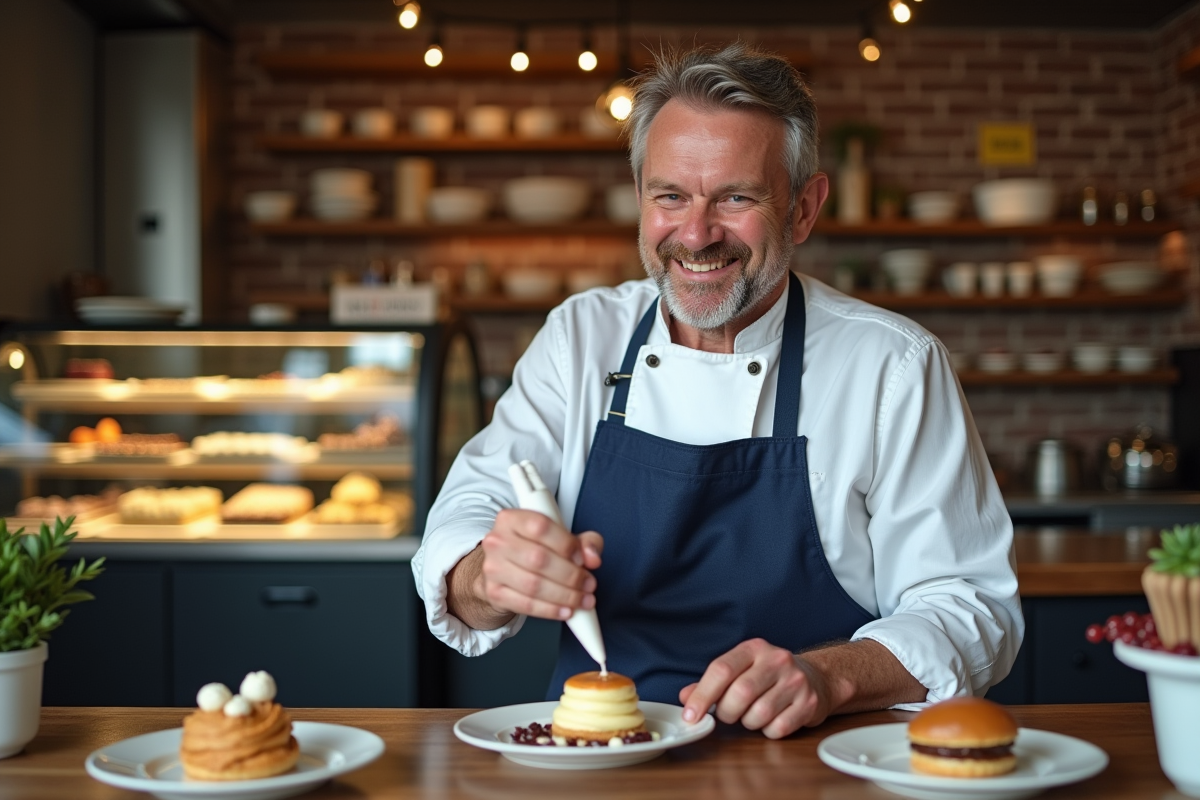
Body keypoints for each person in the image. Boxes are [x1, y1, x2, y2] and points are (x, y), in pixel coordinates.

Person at [412, 42, 1022, 739]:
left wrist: (830, 675)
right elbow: (464, 518)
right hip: (596, 752)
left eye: (735, 197)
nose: (695, 235)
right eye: (669, 196)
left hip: (818, 758)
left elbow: (973, 609)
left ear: (803, 209)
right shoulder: (580, 337)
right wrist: (490, 574)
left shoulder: (894, 365)